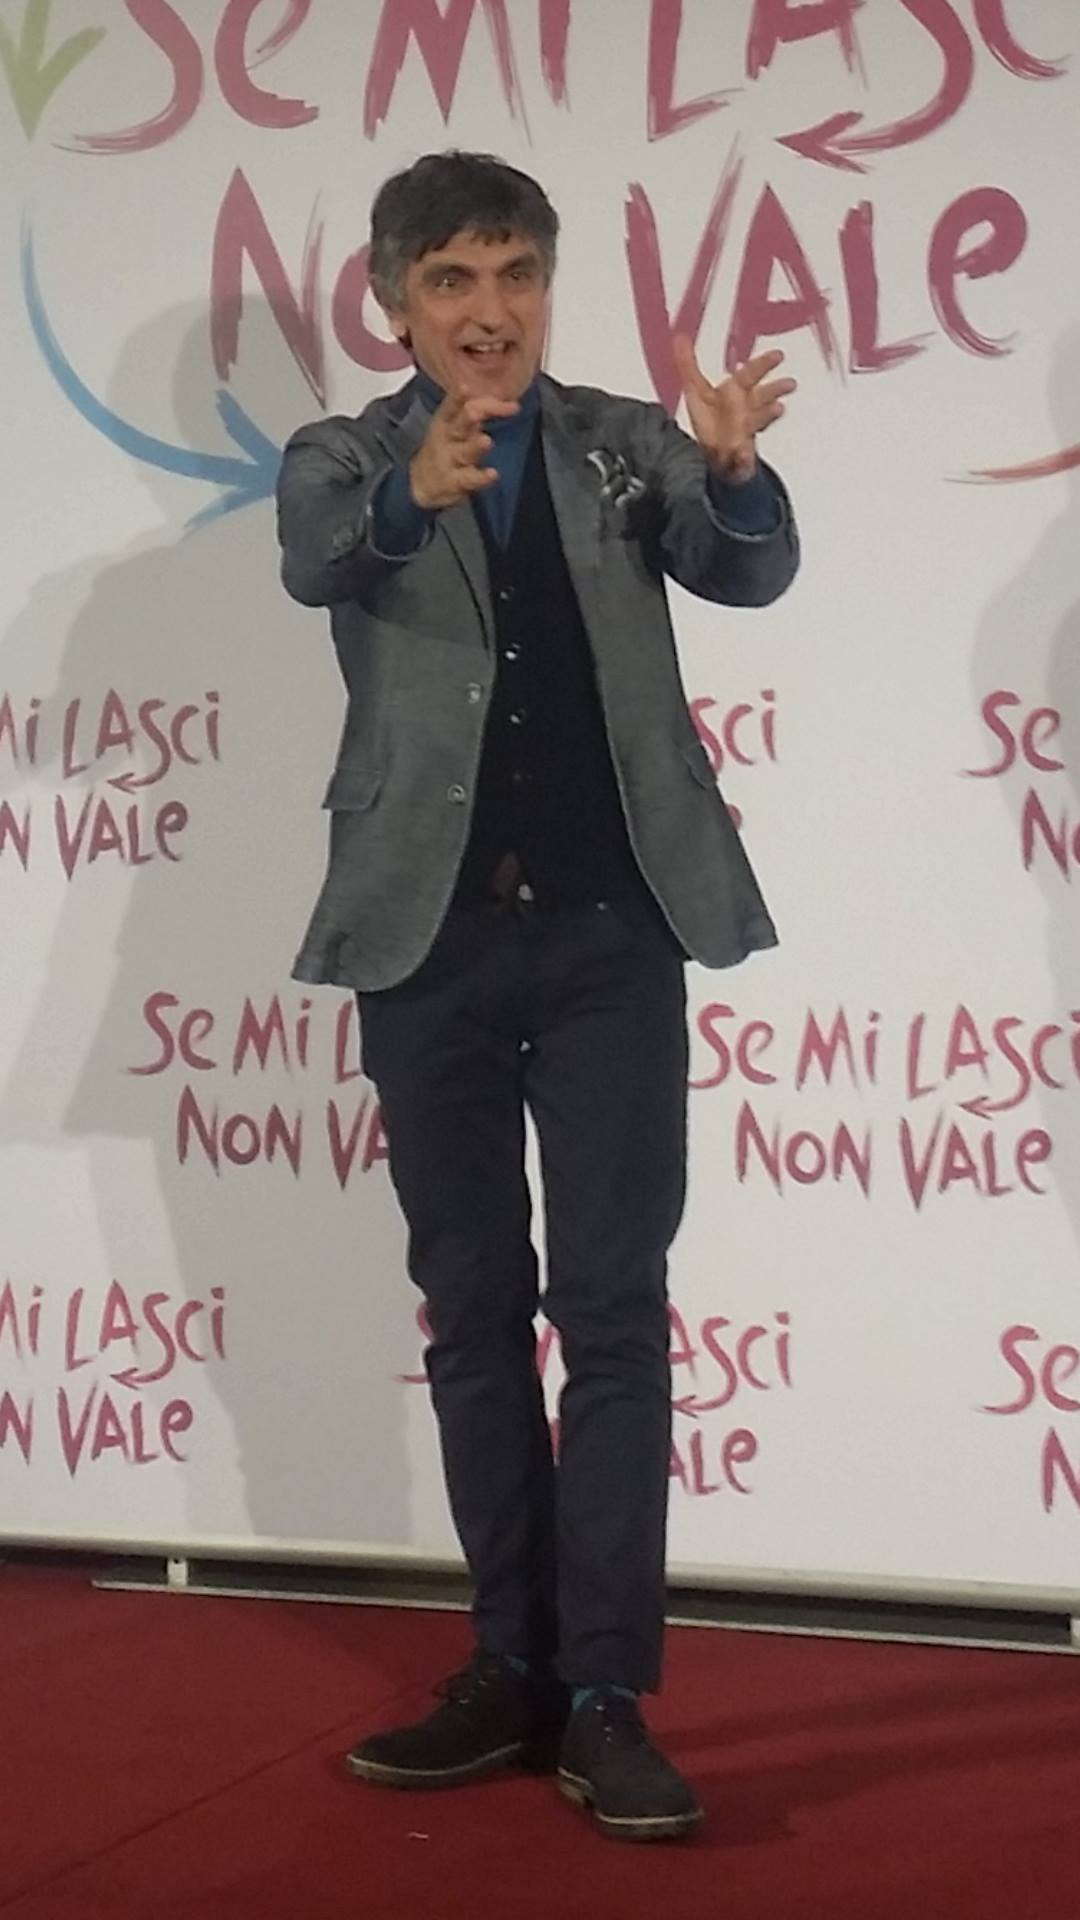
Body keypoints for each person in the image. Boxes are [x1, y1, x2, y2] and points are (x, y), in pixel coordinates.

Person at [276, 149, 799, 1842]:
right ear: (394, 304)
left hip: (608, 943)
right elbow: (316, 556)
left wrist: (735, 475)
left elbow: (743, 567)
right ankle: (507, 1663)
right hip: (424, 946)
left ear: (546, 291)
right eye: (453, 281)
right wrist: (409, 496)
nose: (490, 312)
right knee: (474, 1307)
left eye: (516, 276)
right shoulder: (345, 456)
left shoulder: (622, 442)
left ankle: (607, 1697)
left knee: (616, 1310)